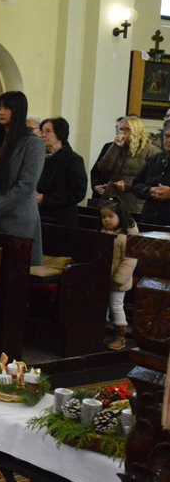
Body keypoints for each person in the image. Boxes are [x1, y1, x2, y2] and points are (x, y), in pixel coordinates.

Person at [0, 90, 46, 265]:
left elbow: (26, 185)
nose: (1, 112)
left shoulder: (32, 143)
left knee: (11, 271)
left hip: (15, 220)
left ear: (18, 111)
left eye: (7, 108)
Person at [91, 116, 156, 214]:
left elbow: (151, 179)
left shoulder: (150, 150)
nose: (122, 133)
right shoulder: (115, 147)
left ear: (137, 130)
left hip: (134, 201)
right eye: (120, 129)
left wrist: (128, 184)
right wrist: (115, 147)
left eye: (127, 129)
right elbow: (103, 169)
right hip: (112, 199)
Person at [99, 198, 138, 351]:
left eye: (111, 216)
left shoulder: (128, 236)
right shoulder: (104, 232)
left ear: (120, 216)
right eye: (104, 217)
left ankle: (120, 336)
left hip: (119, 280)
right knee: (102, 305)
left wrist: (118, 280)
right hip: (103, 277)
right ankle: (99, 332)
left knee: (116, 306)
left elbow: (129, 261)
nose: (106, 220)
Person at [36, 117, 88, 227]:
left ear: (60, 134)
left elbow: (78, 192)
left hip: (61, 218)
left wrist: (45, 198)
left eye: (48, 131)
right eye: (42, 131)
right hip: (39, 213)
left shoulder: (73, 159)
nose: (43, 135)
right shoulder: (39, 157)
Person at [128, 119, 170, 226]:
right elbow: (136, 185)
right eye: (167, 136)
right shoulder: (154, 159)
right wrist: (149, 191)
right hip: (150, 218)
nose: (169, 140)